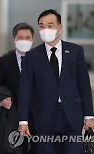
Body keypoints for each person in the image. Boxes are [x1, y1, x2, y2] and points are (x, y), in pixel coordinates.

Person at [18, 9, 94, 154]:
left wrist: (89, 115)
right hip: (43, 117)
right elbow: (25, 89)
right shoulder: (32, 56)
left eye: (50, 25)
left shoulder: (75, 51)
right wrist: (23, 121)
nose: (45, 29)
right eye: (41, 26)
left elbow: (84, 85)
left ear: (59, 28)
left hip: (72, 116)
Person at [0, 23, 34, 154]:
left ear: (32, 39)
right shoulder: (5, 61)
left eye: (28, 37)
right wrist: (1, 101)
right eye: (20, 37)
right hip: (12, 117)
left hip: (36, 116)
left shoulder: (39, 59)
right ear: (14, 39)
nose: (24, 40)